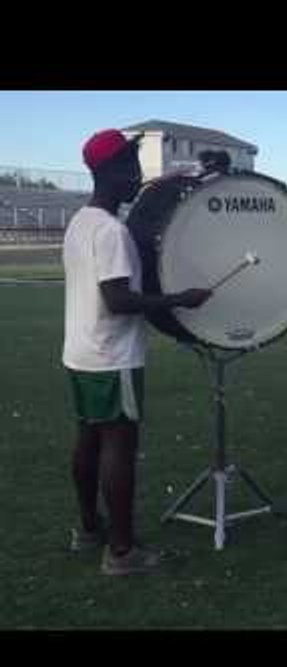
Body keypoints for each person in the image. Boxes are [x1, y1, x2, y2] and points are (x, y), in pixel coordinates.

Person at [63, 129, 211, 575]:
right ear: (107, 172)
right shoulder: (109, 231)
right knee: (119, 447)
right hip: (112, 356)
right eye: (129, 165)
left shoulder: (82, 221)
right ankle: (123, 551)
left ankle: (90, 529)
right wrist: (178, 300)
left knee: (89, 439)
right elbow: (119, 299)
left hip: (81, 352)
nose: (136, 174)